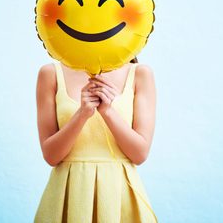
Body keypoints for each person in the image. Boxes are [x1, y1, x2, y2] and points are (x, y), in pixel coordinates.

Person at [34, 57, 157, 222]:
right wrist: (82, 114)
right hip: (69, 192)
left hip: (119, 194)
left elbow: (139, 154)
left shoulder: (140, 73)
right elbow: (51, 156)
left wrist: (107, 111)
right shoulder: (50, 74)